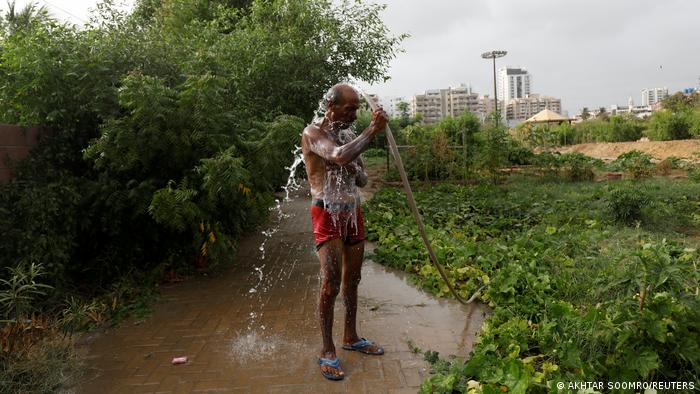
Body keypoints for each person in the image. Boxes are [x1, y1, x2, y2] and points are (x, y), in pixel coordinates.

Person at [301, 83, 388, 381]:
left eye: (356, 109)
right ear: (331, 106)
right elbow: (336, 156)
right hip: (326, 213)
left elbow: (362, 180)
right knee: (331, 284)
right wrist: (371, 132)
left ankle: (351, 337)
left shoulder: (350, 135)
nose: (354, 114)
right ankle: (327, 350)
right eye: (349, 109)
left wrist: (356, 170)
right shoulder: (313, 133)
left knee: (354, 280)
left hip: (353, 212)